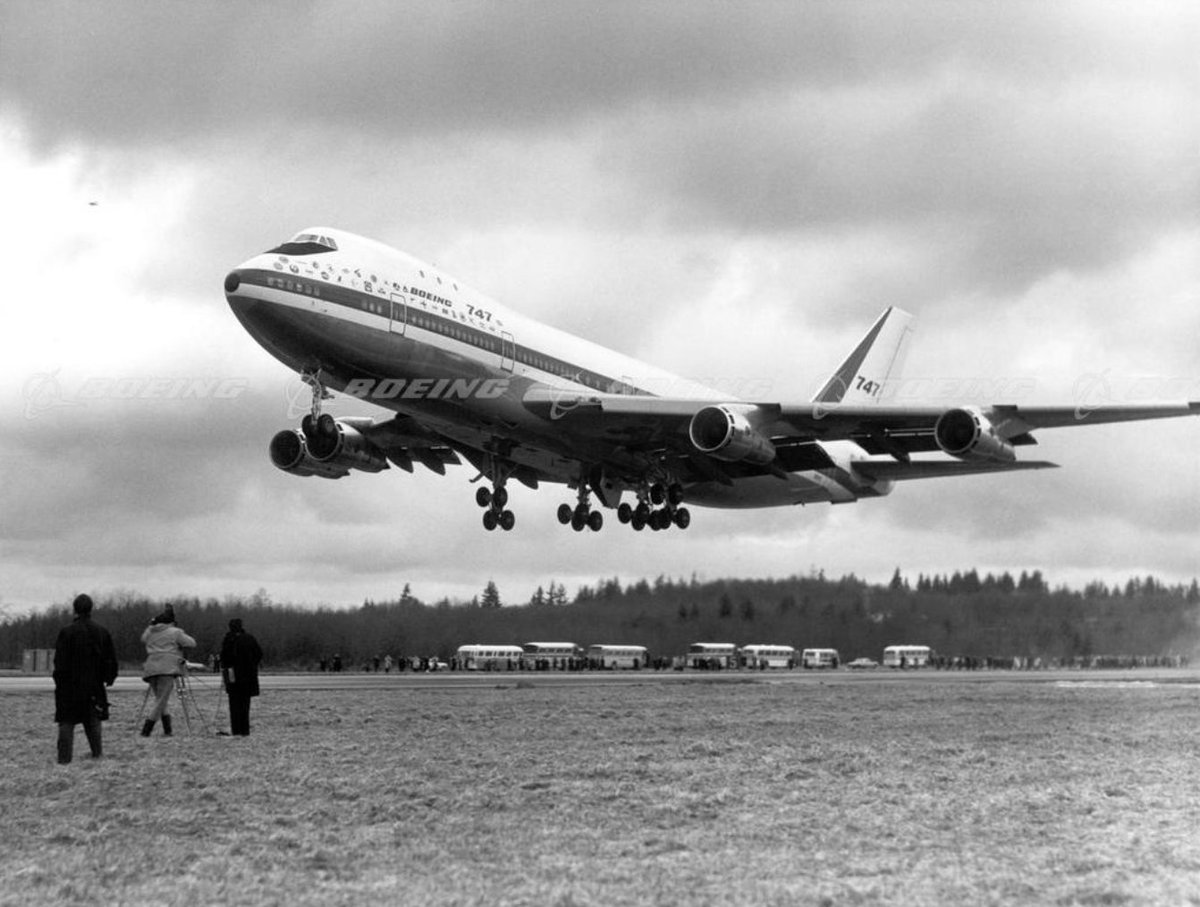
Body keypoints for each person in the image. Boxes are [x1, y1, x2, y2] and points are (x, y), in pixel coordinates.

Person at [53, 594, 119, 764]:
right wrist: (108, 678)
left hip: (69, 686)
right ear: (91, 609)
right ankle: (97, 755)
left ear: (75, 609)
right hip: (94, 685)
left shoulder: (67, 632)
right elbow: (110, 659)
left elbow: (59, 662)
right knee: (93, 722)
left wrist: (60, 681)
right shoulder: (102, 632)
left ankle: (64, 760)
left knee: (66, 723)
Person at [140, 605, 196, 737]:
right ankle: (146, 730)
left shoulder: (151, 631)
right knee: (161, 701)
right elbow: (192, 643)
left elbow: (143, 639)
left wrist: (150, 625)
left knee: (160, 700)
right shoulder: (174, 632)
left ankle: (167, 729)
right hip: (167, 668)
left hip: (151, 668)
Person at [220, 618, 262, 736]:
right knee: (245, 704)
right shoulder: (249, 638)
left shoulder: (228, 639)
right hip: (248, 676)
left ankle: (236, 730)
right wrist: (252, 665)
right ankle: (245, 731)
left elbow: (224, 658)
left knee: (234, 704)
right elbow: (259, 654)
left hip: (232, 675)